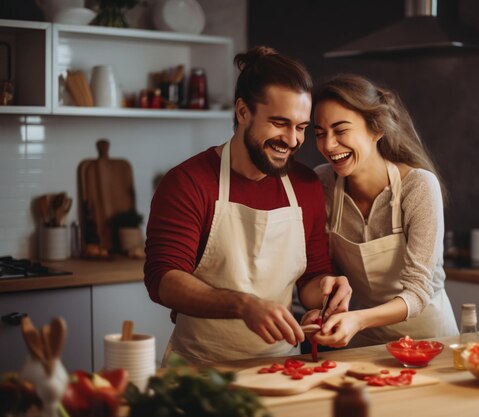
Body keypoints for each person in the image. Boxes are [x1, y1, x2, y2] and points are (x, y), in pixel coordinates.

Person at [143, 46, 351, 364]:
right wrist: (242, 305)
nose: (293, 140)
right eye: (280, 123)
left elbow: (312, 275)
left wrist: (326, 290)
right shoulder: (188, 182)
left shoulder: (306, 186)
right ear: (243, 112)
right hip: (198, 369)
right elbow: (164, 279)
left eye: (301, 128)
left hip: (281, 365)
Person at [302, 74, 458, 348]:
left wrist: (359, 319)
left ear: (376, 130)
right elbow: (328, 271)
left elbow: (419, 292)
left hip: (429, 340)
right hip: (363, 342)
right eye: (319, 133)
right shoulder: (323, 182)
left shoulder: (419, 186)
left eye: (340, 131)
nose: (328, 145)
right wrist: (326, 308)